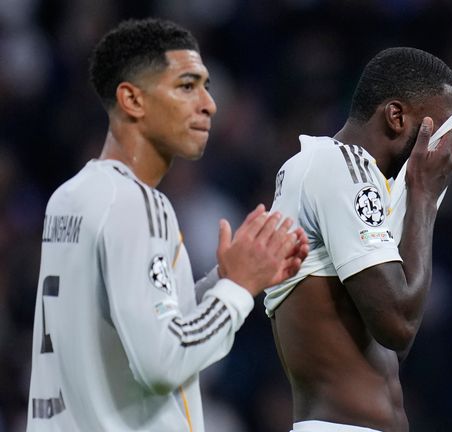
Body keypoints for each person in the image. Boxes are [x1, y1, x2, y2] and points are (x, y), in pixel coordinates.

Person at [26, 18, 308, 431]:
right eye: (187, 86)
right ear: (132, 100)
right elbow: (162, 360)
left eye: (206, 86)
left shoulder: (70, 197)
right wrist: (238, 289)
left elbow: (130, 325)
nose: (209, 104)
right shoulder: (139, 202)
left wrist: (223, 278)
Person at [265, 47, 452, 432]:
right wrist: (425, 198)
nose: (442, 149)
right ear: (396, 117)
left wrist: (422, 195)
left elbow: (397, 342)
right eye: (440, 130)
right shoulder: (335, 165)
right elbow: (398, 324)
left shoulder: (365, 183)